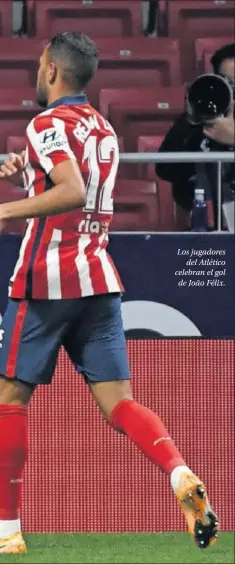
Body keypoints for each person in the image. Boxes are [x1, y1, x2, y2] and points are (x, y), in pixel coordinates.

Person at [0, 32, 218, 554]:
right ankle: (179, 473)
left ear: (52, 69)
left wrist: (4, 211)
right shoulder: (101, 127)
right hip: (99, 277)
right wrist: (24, 177)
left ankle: (6, 530)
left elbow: (70, 191)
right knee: (119, 403)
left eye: (38, 65)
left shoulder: (46, 123)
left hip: (46, 278)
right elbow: (71, 186)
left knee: (9, 400)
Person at [156, 43, 235, 229]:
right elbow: (166, 170)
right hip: (209, 231)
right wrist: (191, 119)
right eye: (229, 83)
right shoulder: (204, 120)